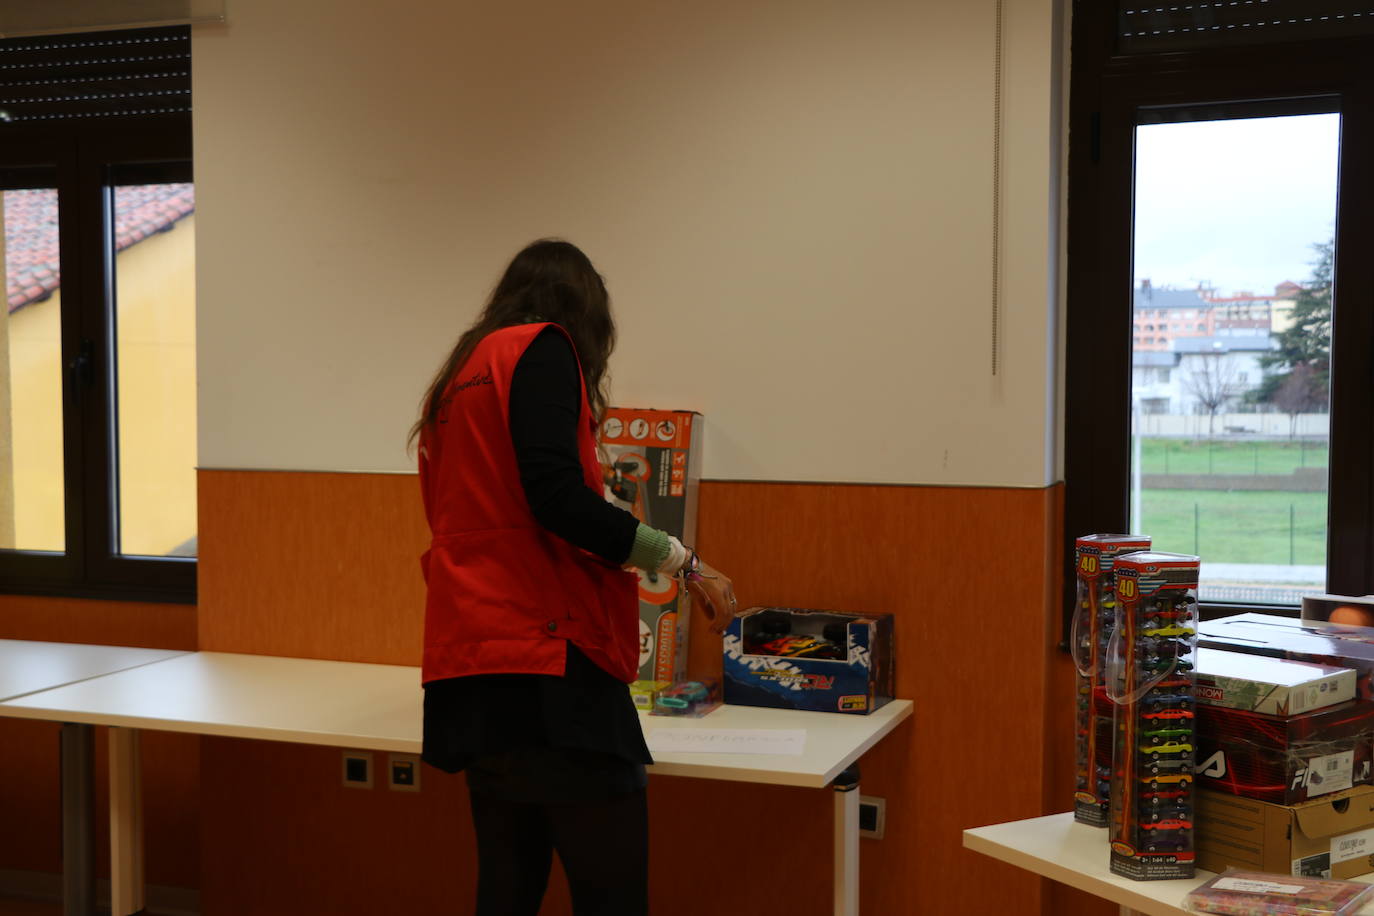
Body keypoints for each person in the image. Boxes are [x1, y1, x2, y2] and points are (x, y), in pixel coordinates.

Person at [410, 239, 735, 916]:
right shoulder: (543, 349)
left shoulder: (462, 373)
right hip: (550, 663)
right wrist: (682, 560)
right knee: (612, 896)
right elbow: (557, 499)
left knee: (508, 888)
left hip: (472, 662)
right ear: (587, 316)